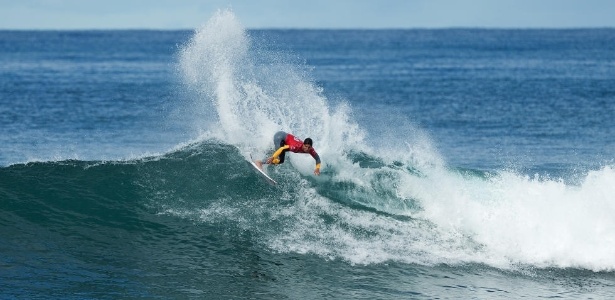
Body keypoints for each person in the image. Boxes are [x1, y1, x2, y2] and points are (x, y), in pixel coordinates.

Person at [255, 131, 321, 175]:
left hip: (284, 139)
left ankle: (261, 150)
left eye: (309, 147)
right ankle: (260, 162)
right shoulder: (296, 147)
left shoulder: (311, 150)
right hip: (280, 137)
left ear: (311, 147)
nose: (307, 149)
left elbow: (317, 159)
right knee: (280, 159)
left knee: (276, 152)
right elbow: (282, 148)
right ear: (303, 144)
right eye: (306, 146)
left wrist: (317, 168)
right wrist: (273, 157)